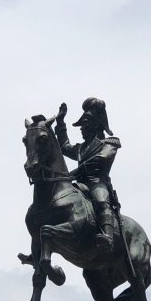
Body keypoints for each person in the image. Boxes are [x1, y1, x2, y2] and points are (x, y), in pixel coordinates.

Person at [55, 97, 121, 252]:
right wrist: (60, 122)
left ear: (96, 124)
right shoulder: (80, 149)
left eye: (85, 123)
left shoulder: (110, 143)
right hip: (80, 185)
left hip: (98, 183)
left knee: (100, 200)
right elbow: (64, 147)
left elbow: (99, 160)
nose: (81, 128)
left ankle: (108, 237)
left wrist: (76, 172)